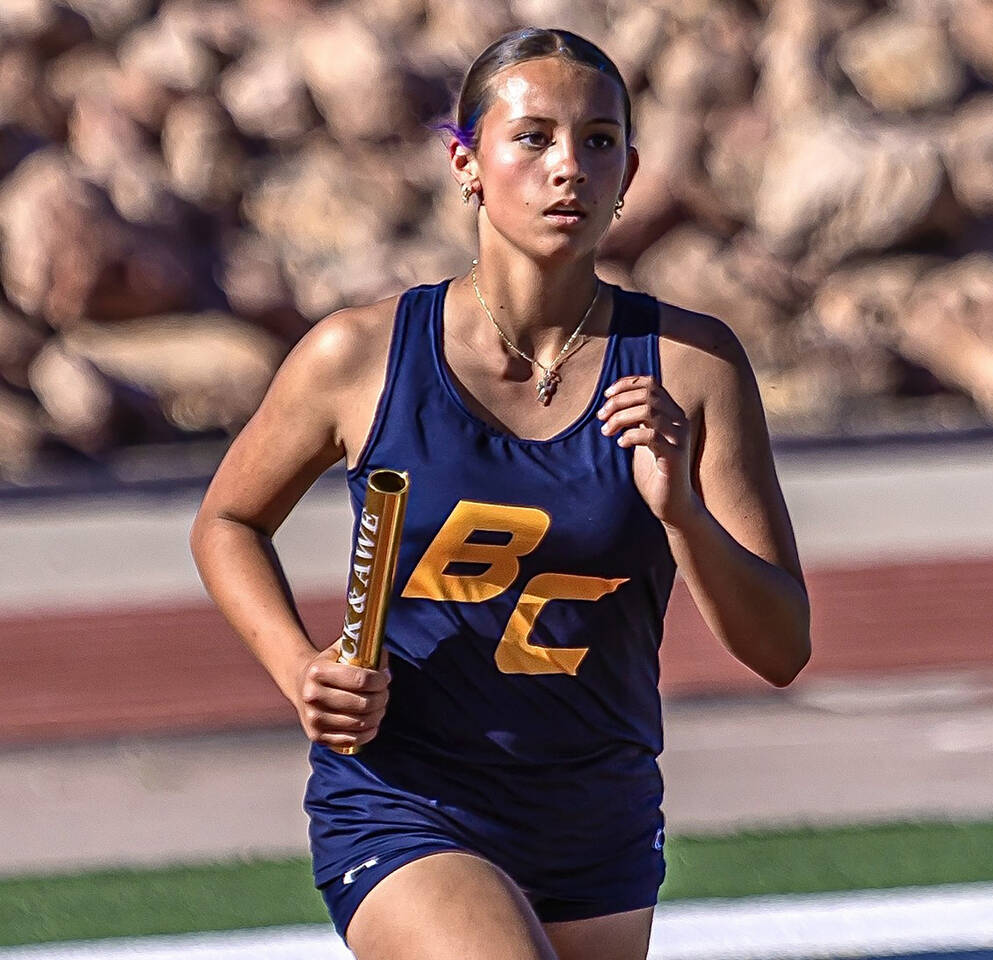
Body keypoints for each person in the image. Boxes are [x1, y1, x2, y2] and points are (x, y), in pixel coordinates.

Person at [189, 26, 810, 960]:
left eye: (598, 141)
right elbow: (228, 521)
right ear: (466, 163)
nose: (569, 167)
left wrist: (682, 512)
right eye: (533, 137)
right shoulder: (358, 354)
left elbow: (782, 649)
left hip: (597, 821)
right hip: (408, 803)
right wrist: (298, 668)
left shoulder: (693, 366)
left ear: (630, 172)